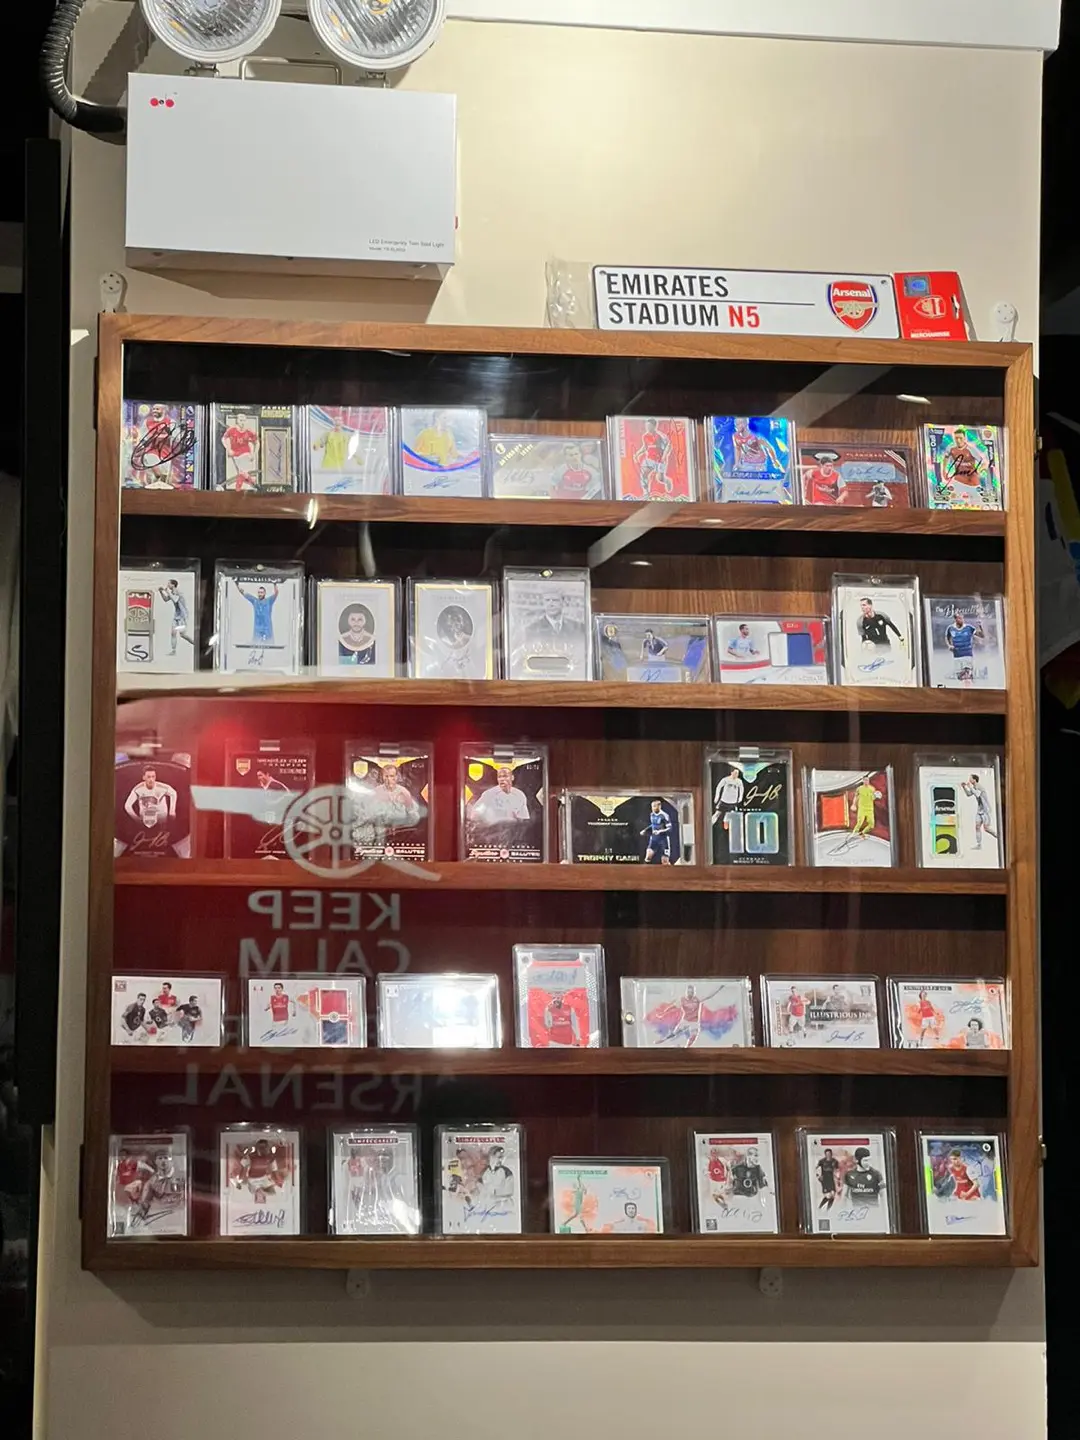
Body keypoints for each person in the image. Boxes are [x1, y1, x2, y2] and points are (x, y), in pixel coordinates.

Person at [124, 766, 177, 832]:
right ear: (144, 777)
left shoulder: (163, 787)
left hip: (161, 818)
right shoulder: (138, 789)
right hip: (146, 820)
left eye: (153, 776)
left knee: (163, 833)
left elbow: (173, 793)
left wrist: (172, 811)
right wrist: (137, 819)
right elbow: (127, 805)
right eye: (148, 777)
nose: (151, 779)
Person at [221, 412, 260, 489]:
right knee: (241, 474)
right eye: (241, 420)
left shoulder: (249, 431)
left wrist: (254, 454)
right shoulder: (231, 430)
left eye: (244, 420)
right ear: (237, 421)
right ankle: (251, 482)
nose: (242, 422)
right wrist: (228, 449)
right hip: (235, 455)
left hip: (246, 454)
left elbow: (257, 442)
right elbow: (223, 439)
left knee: (242, 472)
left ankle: (240, 488)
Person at [633, 419, 672, 496]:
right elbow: (645, 447)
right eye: (646, 426)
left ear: (654, 426)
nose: (647, 427)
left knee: (660, 478)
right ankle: (646, 492)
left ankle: (667, 481)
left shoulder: (661, 436)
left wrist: (664, 456)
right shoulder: (645, 436)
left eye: (649, 426)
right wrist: (637, 454)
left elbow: (669, 445)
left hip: (660, 459)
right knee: (644, 473)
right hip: (649, 459)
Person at [961, 773, 997, 851]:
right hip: (979, 810)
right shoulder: (974, 787)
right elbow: (968, 794)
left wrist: (969, 787)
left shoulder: (980, 787)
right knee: (977, 826)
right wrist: (964, 787)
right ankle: (979, 844)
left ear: (974, 780)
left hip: (985, 810)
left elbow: (977, 794)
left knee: (986, 828)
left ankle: (997, 836)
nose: (969, 780)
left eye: (970, 778)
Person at [945, 609, 982, 684]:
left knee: (966, 674)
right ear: (956, 619)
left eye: (962, 618)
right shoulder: (950, 628)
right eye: (959, 618)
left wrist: (980, 626)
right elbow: (947, 638)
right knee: (960, 677)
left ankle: (970, 684)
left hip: (967, 655)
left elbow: (982, 635)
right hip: (957, 656)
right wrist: (949, 645)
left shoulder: (969, 627)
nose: (962, 620)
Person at [158, 578, 193, 655]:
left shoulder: (178, 592)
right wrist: (161, 592)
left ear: (173, 585)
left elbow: (175, 600)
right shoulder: (172, 592)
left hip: (182, 615)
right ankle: (173, 651)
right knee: (173, 633)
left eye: (169, 583)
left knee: (183, 635)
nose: (168, 585)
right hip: (176, 615)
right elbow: (166, 599)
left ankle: (195, 644)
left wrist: (167, 592)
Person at [238, 582, 278, 648]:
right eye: (259, 592)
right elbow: (243, 592)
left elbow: (276, 593)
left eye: (261, 592)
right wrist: (237, 584)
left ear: (264, 593)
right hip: (258, 629)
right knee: (256, 646)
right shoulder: (255, 601)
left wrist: (274, 584)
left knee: (268, 646)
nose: (260, 594)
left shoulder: (269, 601)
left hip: (267, 629)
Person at [641, 798, 673, 865]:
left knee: (665, 862)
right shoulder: (652, 814)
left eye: (654, 806)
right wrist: (645, 830)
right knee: (648, 857)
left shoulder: (664, 816)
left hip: (663, 841)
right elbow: (653, 825)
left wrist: (659, 831)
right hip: (654, 839)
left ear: (659, 806)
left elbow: (670, 828)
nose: (653, 808)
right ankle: (645, 870)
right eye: (652, 806)